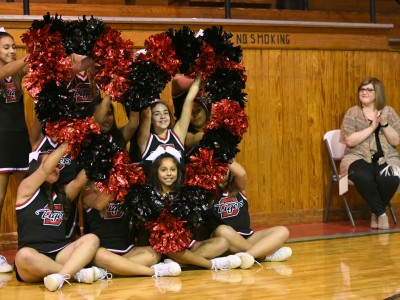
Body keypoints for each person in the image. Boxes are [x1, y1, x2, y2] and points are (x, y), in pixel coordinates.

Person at [81, 102, 181, 279]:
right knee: (100, 255)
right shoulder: (88, 189)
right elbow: (100, 203)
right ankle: (153, 271)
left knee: (154, 252)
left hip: (127, 251)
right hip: (104, 251)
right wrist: (119, 177)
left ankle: (110, 272)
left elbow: (135, 122)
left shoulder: (124, 184)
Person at [14, 141, 104, 292]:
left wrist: (98, 155)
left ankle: (59, 276)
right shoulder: (26, 189)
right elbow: (44, 168)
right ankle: (75, 274)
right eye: (52, 164)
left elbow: (80, 180)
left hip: (60, 254)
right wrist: (67, 142)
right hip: (33, 260)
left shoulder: (64, 193)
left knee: (92, 239)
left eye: (58, 166)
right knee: (23, 255)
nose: (56, 168)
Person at [142, 150, 241, 271]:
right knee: (171, 246)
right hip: (164, 247)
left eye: (173, 170)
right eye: (163, 170)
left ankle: (180, 263)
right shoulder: (148, 196)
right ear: (156, 172)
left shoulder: (185, 193)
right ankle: (211, 264)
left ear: (178, 172)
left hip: (186, 246)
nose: (169, 174)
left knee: (223, 242)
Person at [340, 77, 400, 230]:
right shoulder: (352, 113)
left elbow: (395, 141)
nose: (364, 92)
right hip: (356, 157)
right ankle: (381, 213)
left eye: (368, 89)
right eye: (362, 89)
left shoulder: (389, 111)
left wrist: (384, 124)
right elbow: (350, 141)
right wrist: (372, 128)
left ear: (377, 93)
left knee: (392, 177)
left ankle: (376, 211)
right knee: (362, 176)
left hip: (387, 157)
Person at [209, 160, 292, 269]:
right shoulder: (209, 192)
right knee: (223, 230)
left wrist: (224, 155)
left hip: (247, 237)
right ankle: (263, 255)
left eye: (224, 168)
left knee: (282, 231)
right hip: (224, 240)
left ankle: (247, 255)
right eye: (217, 168)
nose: (222, 171)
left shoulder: (238, 187)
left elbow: (242, 173)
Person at [0, 31, 31, 272]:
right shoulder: (6, 71)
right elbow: (4, 71)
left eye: (13, 47)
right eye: (5, 47)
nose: (11, 51)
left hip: (20, 139)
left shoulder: (17, 72)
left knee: (26, 197)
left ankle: (28, 247)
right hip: (1, 140)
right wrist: (34, 55)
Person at [137, 75, 201, 176]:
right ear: (151, 120)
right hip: (154, 191)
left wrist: (202, 72)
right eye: (157, 114)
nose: (162, 116)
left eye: (165, 113)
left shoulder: (177, 135)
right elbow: (146, 114)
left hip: (178, 190)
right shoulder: (145, 140)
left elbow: (189, 100)